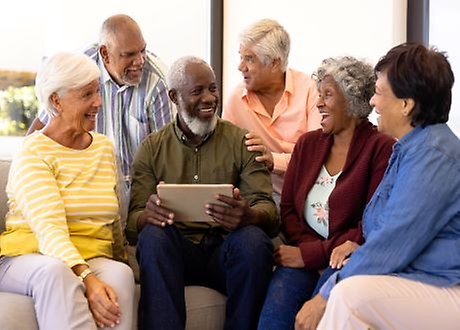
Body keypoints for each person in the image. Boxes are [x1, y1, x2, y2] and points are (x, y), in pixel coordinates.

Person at [295, 43, 460, 330]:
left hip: (446, 283)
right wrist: (359, 249)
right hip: (419, 276)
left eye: (379, 93)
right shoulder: (410, 148)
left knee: (347, 296)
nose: (372, 102)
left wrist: (324, 295)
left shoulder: (434, 155)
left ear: (406, 104)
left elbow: (395, 240)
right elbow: (386, 232)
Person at [126, 56, 279, 329]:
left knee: (253, 240)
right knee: (153, 235)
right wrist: (147, 216)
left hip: (225, 253)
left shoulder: (241, 142)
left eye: (213, 89)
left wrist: (249, 216)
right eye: (197, 91)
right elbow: (132, 223)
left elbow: (268, 211)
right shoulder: (151, 148)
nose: (209, 98)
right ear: (174, 96)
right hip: (177, 255)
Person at [257, 56, 395, 329]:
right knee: (272, 320)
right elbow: (288, 210)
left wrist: (312, 256)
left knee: (316, 320)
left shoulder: (382, 148)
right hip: (303, 253)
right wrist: (308, 252)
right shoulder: (307, 144)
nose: (318, 103)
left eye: (328, 95)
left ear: (353, 100)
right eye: (318, 95)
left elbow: (370, 223)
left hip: (345, 261)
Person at [0, 52, 135, 329]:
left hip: (92, 255)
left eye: (98, 91)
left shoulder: (103, 148)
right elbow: (50, 232)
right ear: (56, 100)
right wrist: (88, 279)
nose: (98, 102)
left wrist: (123, 258)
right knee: (54, 271)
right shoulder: (34, 153)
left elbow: (114, 223)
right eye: (87, 94)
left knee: (120, 275)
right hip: (29, 256)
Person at [27, 14, 175, 194]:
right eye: (129, 55)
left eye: (142, 51)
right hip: (86, 182)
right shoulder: (80, 69)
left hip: (141, 188)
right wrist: (25, 166)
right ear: (105, 53)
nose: (140, 61)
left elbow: (167, 155)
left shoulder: (158, 82)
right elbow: (45, 124)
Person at [223, 18, 321, 205]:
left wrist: (274, 160)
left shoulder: (311, 90)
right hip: (259, 199)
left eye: (249, 58)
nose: (240, 66)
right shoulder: (236, 99)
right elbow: (225, 159)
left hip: (308, 197)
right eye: (240, 56)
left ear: (275, 63)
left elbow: (318, 156)